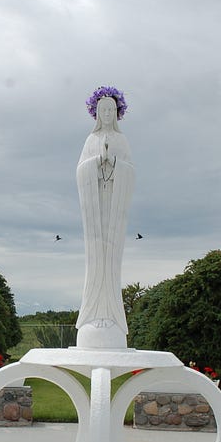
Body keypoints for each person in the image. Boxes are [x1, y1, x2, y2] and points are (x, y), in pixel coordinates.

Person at [75, 87, 135, 349]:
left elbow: (130, 173)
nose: (108, 114)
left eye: (112, 110)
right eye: (104, 110)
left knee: (111, 259)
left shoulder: (121, 142)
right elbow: (80, 172)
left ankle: (111, 316)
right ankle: (93, 314)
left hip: (113, 209)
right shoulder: (91, 141)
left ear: (117, 113)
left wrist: (116, 164)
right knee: (95, 258)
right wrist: (97, 162)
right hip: (96, 211)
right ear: (98, 113)